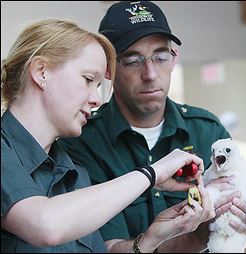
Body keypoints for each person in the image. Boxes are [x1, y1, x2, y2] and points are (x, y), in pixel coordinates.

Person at [1, 19, 216, 253]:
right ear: (41, 72)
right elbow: (46, 225)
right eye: (88, 80)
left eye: (98, 85)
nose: (96, 99)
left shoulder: (74, 175)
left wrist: (150, 239)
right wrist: (152, 173)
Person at [60, 1, 246, 252]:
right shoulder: (81, 141)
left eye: (161, 56)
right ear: (107, 68)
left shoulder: (207, 131)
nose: (151, 73)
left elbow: (243, 233)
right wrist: (194, 238)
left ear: (175, 58)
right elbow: (110, 248)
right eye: (133, 60)